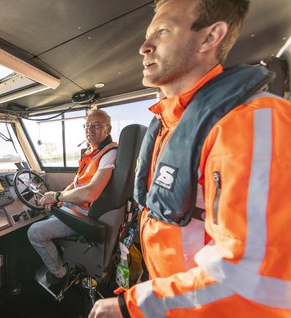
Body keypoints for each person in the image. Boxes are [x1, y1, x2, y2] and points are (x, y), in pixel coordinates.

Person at [89, 0, 291, 317]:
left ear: (210, 38)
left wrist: (131, 307)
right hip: (174, 298)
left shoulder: (253, 122)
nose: (144, 46)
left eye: (163, 31)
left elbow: (251, 278)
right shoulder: (167, 125)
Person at [28, 109, 118, 285]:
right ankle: (65, 254)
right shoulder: (91, 152)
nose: (90, 129)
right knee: (47, 211)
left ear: (108, 128)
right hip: (76, 208)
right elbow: (77, 184)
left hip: (84, 215)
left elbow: (90, 192)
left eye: (96, 125)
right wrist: (58, 197)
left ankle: (60, 272)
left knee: (34, 232)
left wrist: (57, 195)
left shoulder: (109, 153)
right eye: (87, 125)